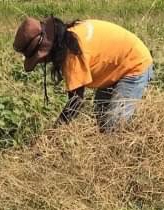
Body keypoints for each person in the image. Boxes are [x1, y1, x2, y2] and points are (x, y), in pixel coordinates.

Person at [13, 16, 154, 132]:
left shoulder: (72, 53)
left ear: (47, 50)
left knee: (113, 126)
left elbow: (75, 103)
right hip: (116, 65)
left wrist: (53, 134)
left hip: (134, 64)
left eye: (39, 59)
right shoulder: (68, 34)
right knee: (103, 118)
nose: (41, 62)